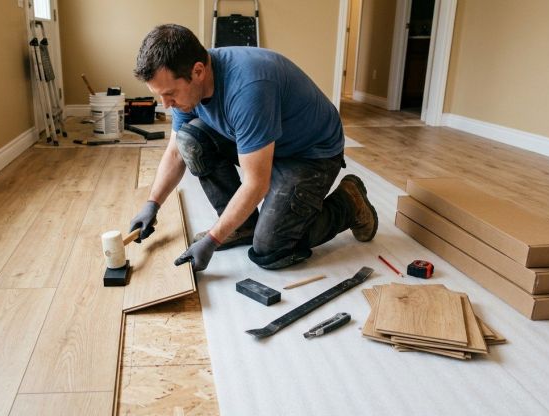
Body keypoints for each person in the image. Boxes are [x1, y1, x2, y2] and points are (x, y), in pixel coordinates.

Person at [129, 24, 378, 272]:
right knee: (190, 140)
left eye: (170, 94)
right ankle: (242, 226)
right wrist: (153, 203)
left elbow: (256, 183)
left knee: (271, 249)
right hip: (268, 142)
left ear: (198, 71)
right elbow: (175, 153)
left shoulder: (248, 88)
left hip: (309, 153)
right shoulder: (190, 82)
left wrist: (212, 240)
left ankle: (349, 202)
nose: (166, 105)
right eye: (160, 96)